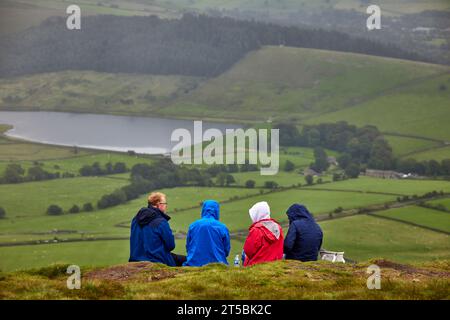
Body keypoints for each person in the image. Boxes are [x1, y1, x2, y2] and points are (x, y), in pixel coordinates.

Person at [129, 192, 186, 266]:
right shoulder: (161, 222)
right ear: (158, 204)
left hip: (136, 259)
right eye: (165, 203)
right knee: (186, 260)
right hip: (157, 260)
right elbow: (171, 245)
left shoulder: (135, 219)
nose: (166, 206)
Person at [183, 200, 230, 267]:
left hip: (193, 264)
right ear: (217, 211)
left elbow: (188, 247)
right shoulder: (222, 227)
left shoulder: (193, 226)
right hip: (218, 265)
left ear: (203, 210)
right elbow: (226, 250)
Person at [242, 201, 284, 266]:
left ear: (257, 214)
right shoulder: (278, 228)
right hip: (275, 267)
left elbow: (248, 251)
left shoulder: (256, 230)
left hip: (257, 267)